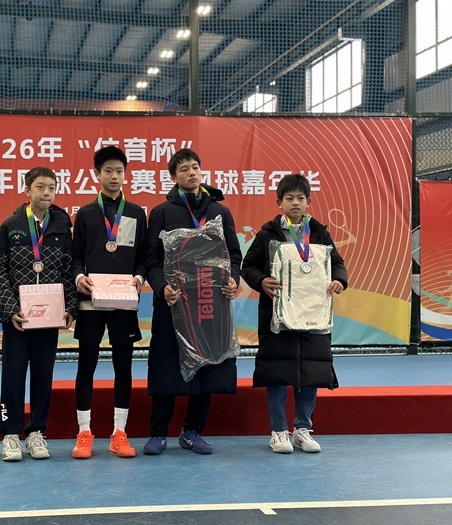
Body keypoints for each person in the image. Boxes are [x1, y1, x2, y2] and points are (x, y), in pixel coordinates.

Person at [144, 148, 242, 455]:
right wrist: (162, 288)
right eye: (184, 168)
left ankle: (192, 431)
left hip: (209, 304)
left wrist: (233, 279)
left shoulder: (219, 212)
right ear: (174, 177)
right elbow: (151, 259)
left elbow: (233, 254)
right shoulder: (162, 212)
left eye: (195, 167)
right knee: (166, 366)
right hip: (173, 305)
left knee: (207, 366)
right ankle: (158, 433)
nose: (192, 172)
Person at [240, 173, 347, 454]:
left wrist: (339, 280)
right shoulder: (267, 234)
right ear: (280, 202)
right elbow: (248, 267)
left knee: (311, 373)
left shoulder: (320, 233)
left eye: (300, 198)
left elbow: (337, 262)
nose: (295, 203)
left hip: (313, 317)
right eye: (289, 198)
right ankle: (278, 432)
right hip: (278, 317)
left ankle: (302, 430)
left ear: (308, 201)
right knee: (277, 373)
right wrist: (261, 281)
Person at [0, 167, 76, 462]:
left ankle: (37, 432)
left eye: (51, 187)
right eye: (40, 187)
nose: (46, 192)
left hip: (49, 318)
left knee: (43, 375)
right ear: (27, 190)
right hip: (18, 318)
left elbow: (68, 270)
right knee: (13, 376)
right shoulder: (11, 226)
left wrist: (69, 307)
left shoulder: (62, 228)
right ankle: (10, 435)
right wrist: (9, 308)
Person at [70, 146, 148, 459]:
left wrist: (139, 278)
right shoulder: (87, 213)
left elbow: (142, 257)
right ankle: (84, 432)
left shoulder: (136, 213)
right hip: (91, 301)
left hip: (124, 302)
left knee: (123, 366)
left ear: (125, 174)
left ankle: (119, 432)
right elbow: (75, 256)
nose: (114, 176)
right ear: (97, 174)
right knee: (86, 365)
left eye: (119, 171)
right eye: (108, 171)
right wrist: (79, 278)